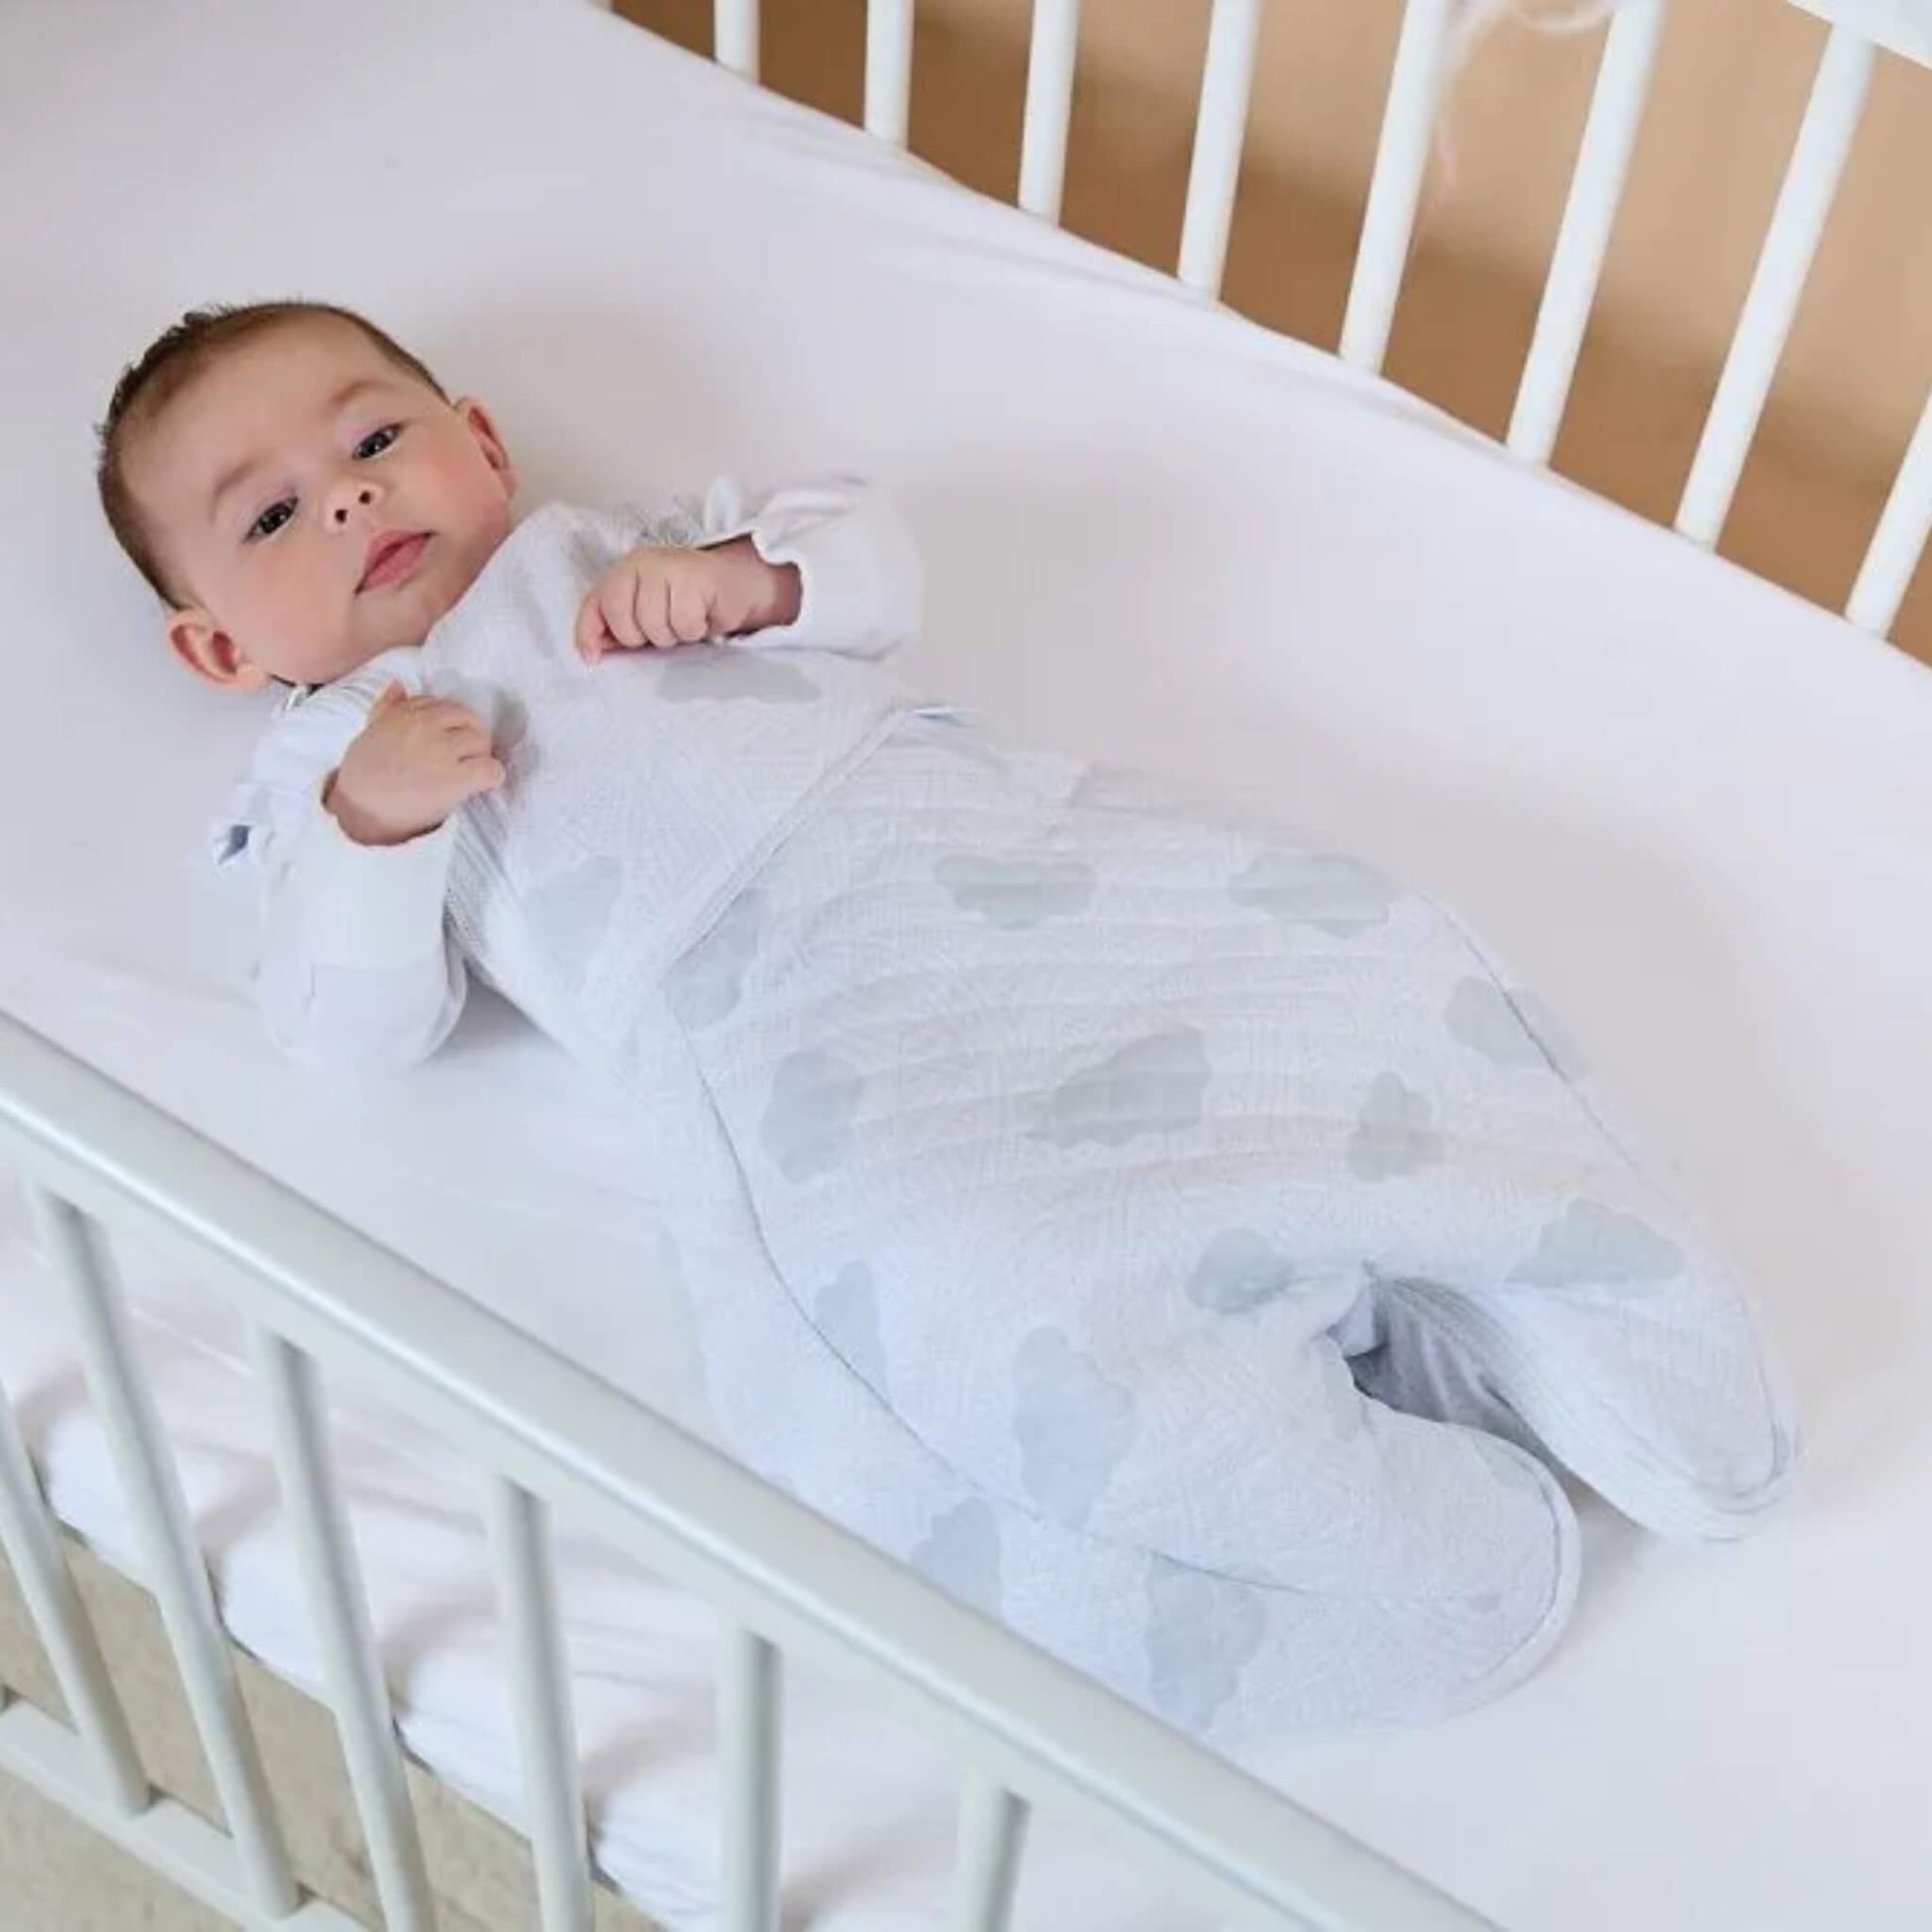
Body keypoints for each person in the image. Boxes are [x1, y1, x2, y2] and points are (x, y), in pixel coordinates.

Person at [96, 299, 1794, 1737]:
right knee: (946, 1292)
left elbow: (871, 558)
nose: (347, 502)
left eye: (374, 438)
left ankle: (1580, 1319)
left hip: (1003, 866)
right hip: (790, 1042)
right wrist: (378, 836)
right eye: (269, 519)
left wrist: (759, 583)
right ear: (217, 648)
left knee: (1350, 963)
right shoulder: (325, 772)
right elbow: (346, 1026)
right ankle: (1366, 1529)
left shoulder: (624, 544)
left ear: (480, 440)